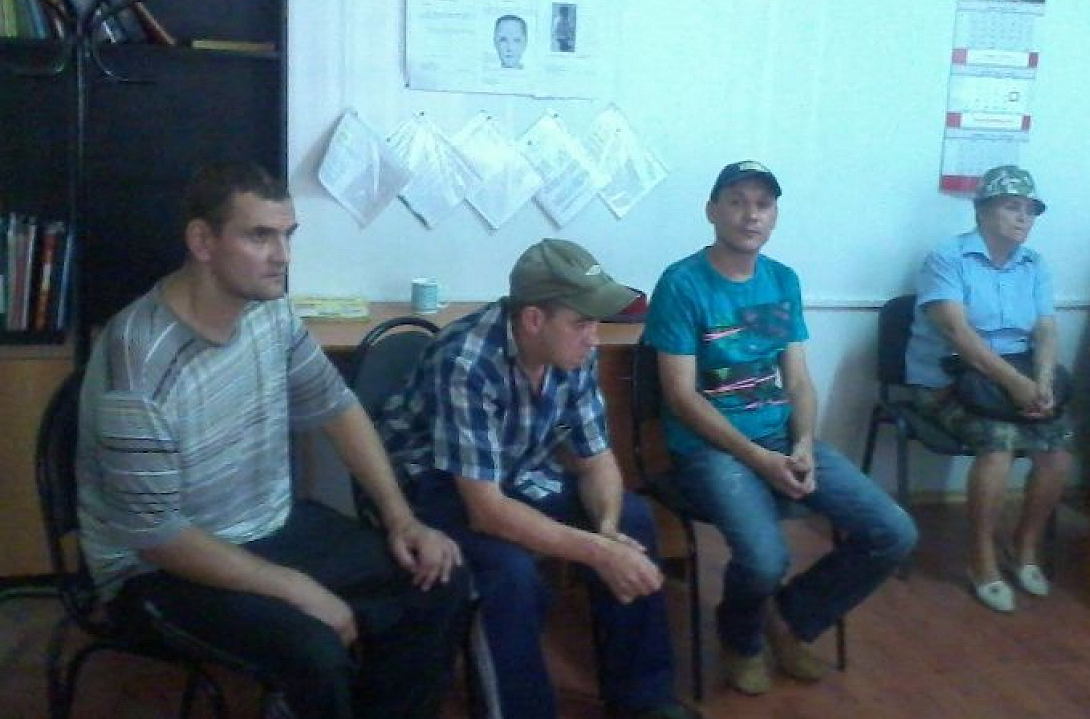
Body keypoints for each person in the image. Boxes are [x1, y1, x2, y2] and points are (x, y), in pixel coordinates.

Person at [76, 161, 471, 719]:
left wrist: (401, 518)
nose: (282, 256)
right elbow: (157, 537)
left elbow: (338, 407)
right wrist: (294, 588)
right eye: (260, 236)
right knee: (315, 648)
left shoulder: (270, 313)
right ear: (202, 241)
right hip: (157, 570)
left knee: (439, 579)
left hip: (269, 526)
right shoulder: (138, 361)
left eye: (288, 235)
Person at [379, 239, 700, 719]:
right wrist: (597, 551)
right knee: (509, 573)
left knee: (631, 520)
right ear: (533, 319)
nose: (593, 338)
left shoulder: (573, 352)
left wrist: (606, 530)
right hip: (437, 486)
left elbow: (596, 460)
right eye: (582, 323)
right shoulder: (466, 360)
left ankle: (643, 700)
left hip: (514, 469)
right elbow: (486, 511)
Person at [642, 161, 917, 695]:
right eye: (737, 201)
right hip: (709, 450)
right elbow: (680, 395)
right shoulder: (682, 283)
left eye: (763, 204)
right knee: (766, 558)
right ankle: (740, 637)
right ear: (712, 210)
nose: (751, 215)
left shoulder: (781, 280)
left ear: (774, 215)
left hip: (780, 440)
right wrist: (759, 459)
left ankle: (789, 618)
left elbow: (798, 382)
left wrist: (804, 443)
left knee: (894, 532)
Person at [904, 165, 1073, 614]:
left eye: (1030, 210)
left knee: (1057, 449)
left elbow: (1046, 330)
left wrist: (1041, 383)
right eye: (1012, 206)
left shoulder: (1034, 265)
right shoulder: (947, 259)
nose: (1023, 217)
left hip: (1014, 380)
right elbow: (959, 335)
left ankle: (1024, 547)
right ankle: (981, 559)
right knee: (999, 444)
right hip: (947, 383)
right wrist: (1017, 385)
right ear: (981, 211)